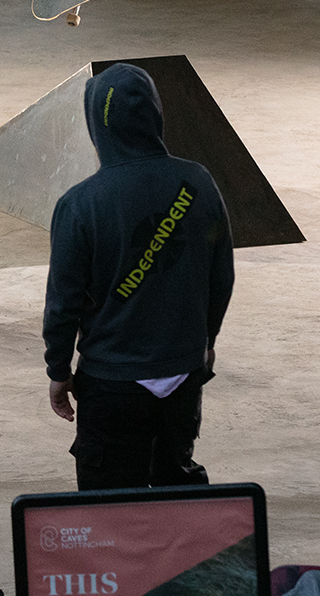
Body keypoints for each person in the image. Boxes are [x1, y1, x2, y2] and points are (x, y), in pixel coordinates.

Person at [43, 63, 232, 489]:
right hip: (182, 374)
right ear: (155, 115)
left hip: (112, 383)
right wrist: (205, 342)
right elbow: (221, 279)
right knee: (174, 490)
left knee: (109, 507)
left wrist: (58, 368)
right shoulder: (198, 183)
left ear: (98, 125)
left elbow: (63, 302)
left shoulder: (81, 205)